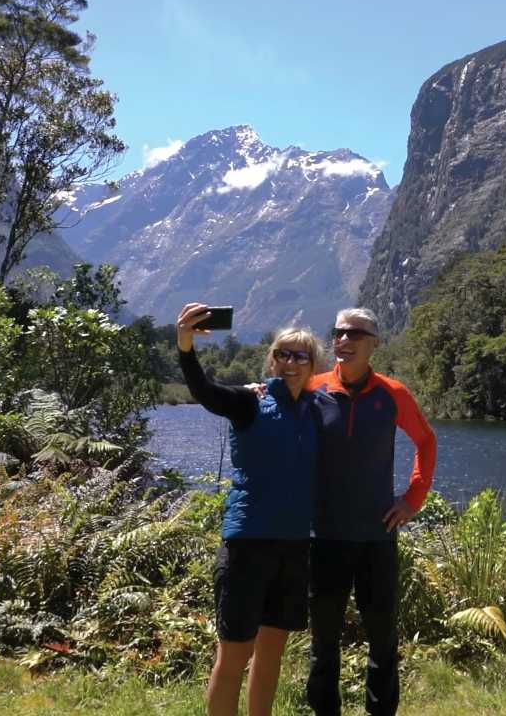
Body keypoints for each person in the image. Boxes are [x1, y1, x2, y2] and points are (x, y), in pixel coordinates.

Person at [176, 303, 322, 716]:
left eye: (300, 355)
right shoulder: (249, 401)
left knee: (272, 652)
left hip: (294, 547)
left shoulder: (316, 410)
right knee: (235, 653)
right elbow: (205, 392)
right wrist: (186, 347)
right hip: (248, 544)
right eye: (282, 353)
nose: (290, 362)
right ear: (272, 360)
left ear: (313, 365)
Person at [304, 307, 436, 716]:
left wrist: (412, 499)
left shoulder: (393, 394)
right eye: (339, 332)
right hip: (324, 536)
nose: (344, 340)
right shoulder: (312, 389)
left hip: (377, 536)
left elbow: (426, 443)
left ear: (374, 343)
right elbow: (276, 421)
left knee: (382, 638)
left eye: (355, 334)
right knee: (323, 640)